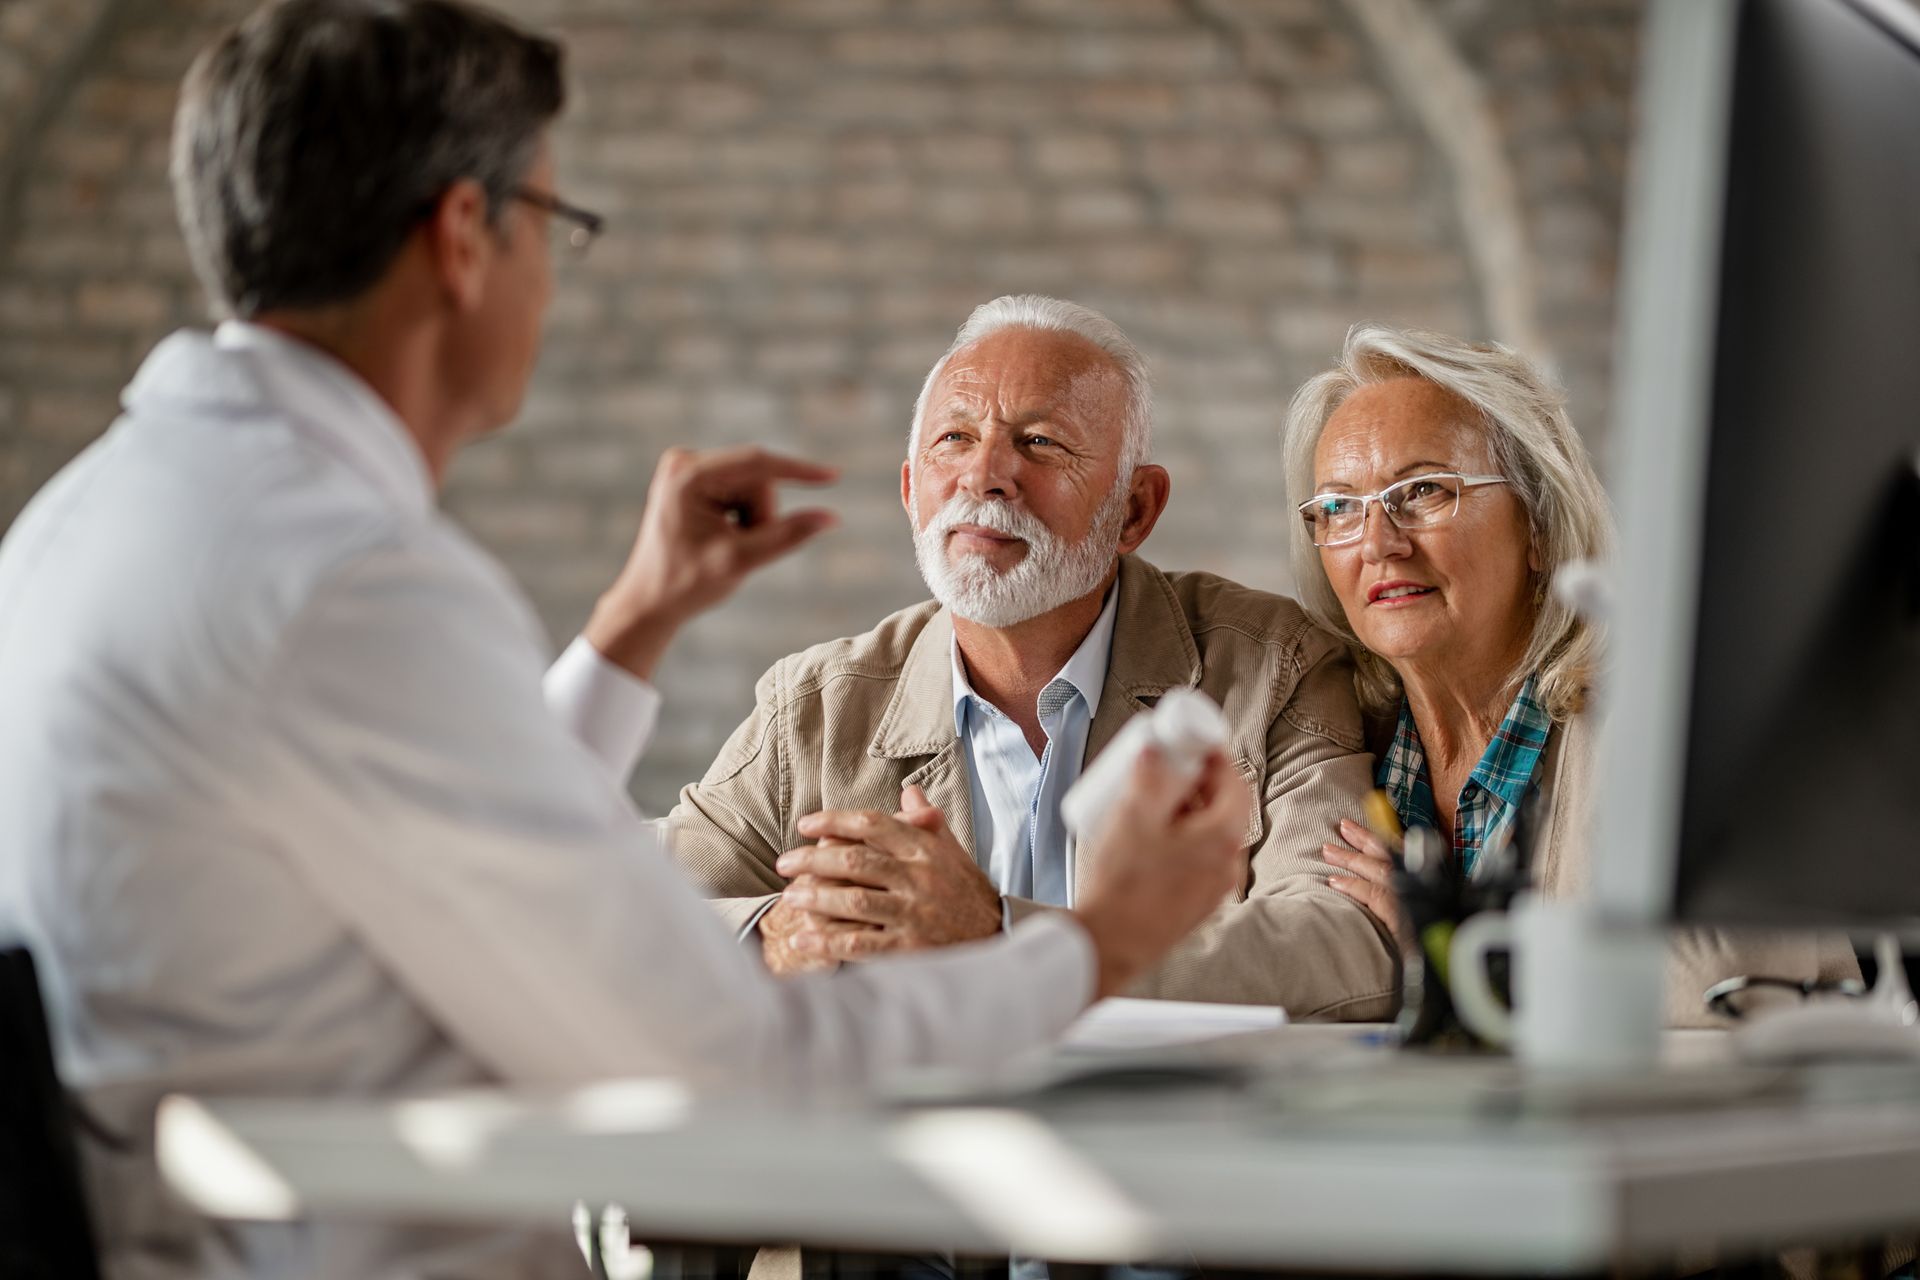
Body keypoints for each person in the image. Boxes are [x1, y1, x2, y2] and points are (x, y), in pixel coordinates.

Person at [0, 4, 1254, 1275]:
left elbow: (411, 832)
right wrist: (1095, 940)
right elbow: (730, 1066)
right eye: (554, 223)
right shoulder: (352, 584)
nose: (555, 271)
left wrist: (629, 627)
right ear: (463, 239)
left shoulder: (82, 525)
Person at [668, 294, 1399, 1017]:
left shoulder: (1276, 666)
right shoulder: (816, 706)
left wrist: (1002, 934)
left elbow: (1345, 946)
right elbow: (636, 912)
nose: (985, 475)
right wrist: (779, 934)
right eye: (953, 439)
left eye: (1040, 442)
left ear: (1134, 510)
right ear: (909, 493)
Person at [1279, 322, 1856, 1026]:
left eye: (1424, 491)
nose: (1377, 543)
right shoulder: (1346, 746)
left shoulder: (1663, 713)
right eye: (1338, 507)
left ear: (1541, 528)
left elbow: (1726, 971)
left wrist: (1452, 954)